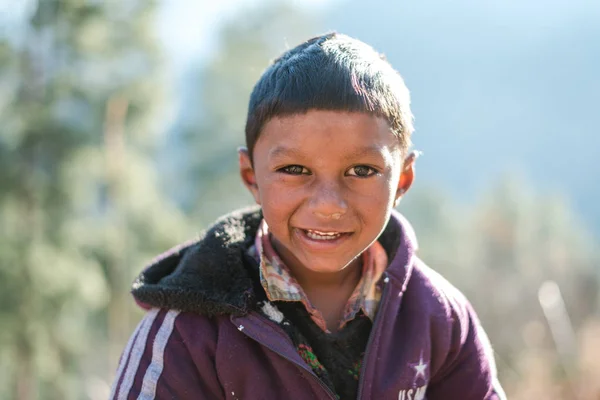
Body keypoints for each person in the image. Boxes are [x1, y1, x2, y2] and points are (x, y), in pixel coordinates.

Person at [110, 32, 506, 400]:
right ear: (252, 176)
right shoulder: (189, 334)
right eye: (295, 171)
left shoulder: (439, 318)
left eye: (362, 171)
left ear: (403, 179)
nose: (328, 204)